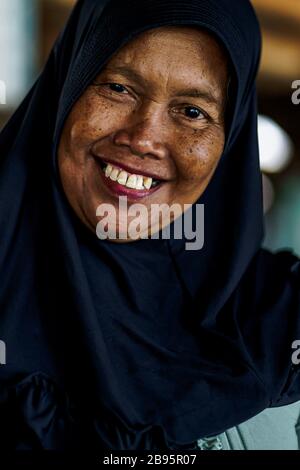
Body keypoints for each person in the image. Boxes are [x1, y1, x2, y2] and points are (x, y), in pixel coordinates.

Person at [0, 0, 299, 451]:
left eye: (192, 111)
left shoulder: (279, 323)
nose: (142, 138)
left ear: (231, 138)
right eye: (118, 87)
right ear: (68, 83)